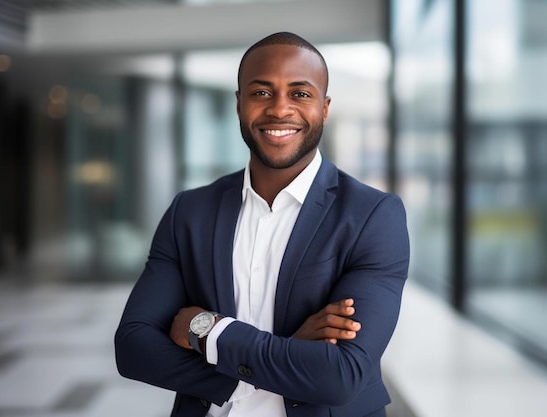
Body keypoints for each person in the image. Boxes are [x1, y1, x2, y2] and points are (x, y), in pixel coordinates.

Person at [115, 31, 410, 417]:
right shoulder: (190, 212)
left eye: (300, 94)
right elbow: (133, 348)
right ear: (240, 103)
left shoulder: (373, 216)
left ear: (325, 106)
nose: (279, 109)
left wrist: (205, 329)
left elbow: (340, 375)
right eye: (262, 92)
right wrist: (278, 359)